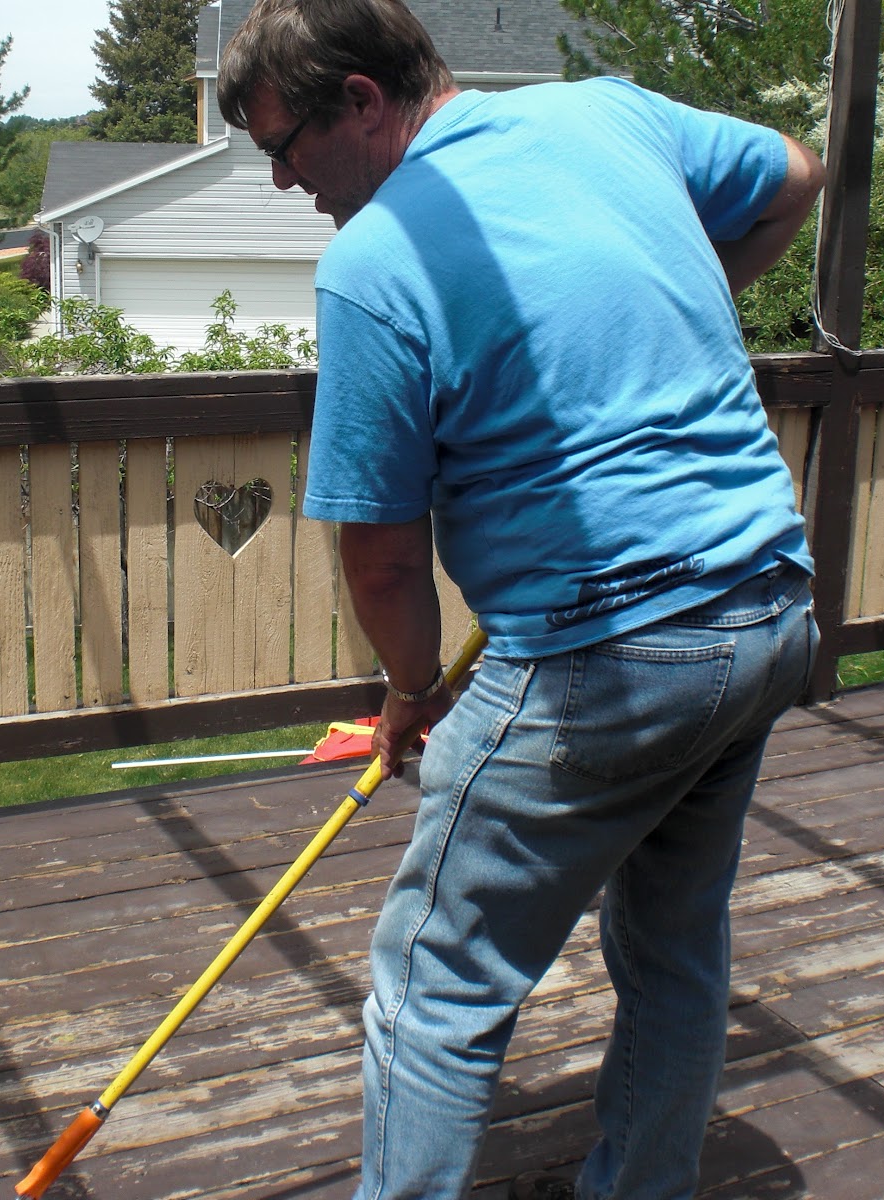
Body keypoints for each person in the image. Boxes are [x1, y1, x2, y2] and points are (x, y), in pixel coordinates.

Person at [218, 3, 825, 1197]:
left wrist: (409, 697)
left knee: (436, 988)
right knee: (673, 945)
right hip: (766, 605)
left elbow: (383, 557)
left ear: (359, 101)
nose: (284, 184)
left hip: (608, 658)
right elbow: (792, 174)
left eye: (279, 148)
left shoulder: (377, 261)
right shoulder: (609, 116)